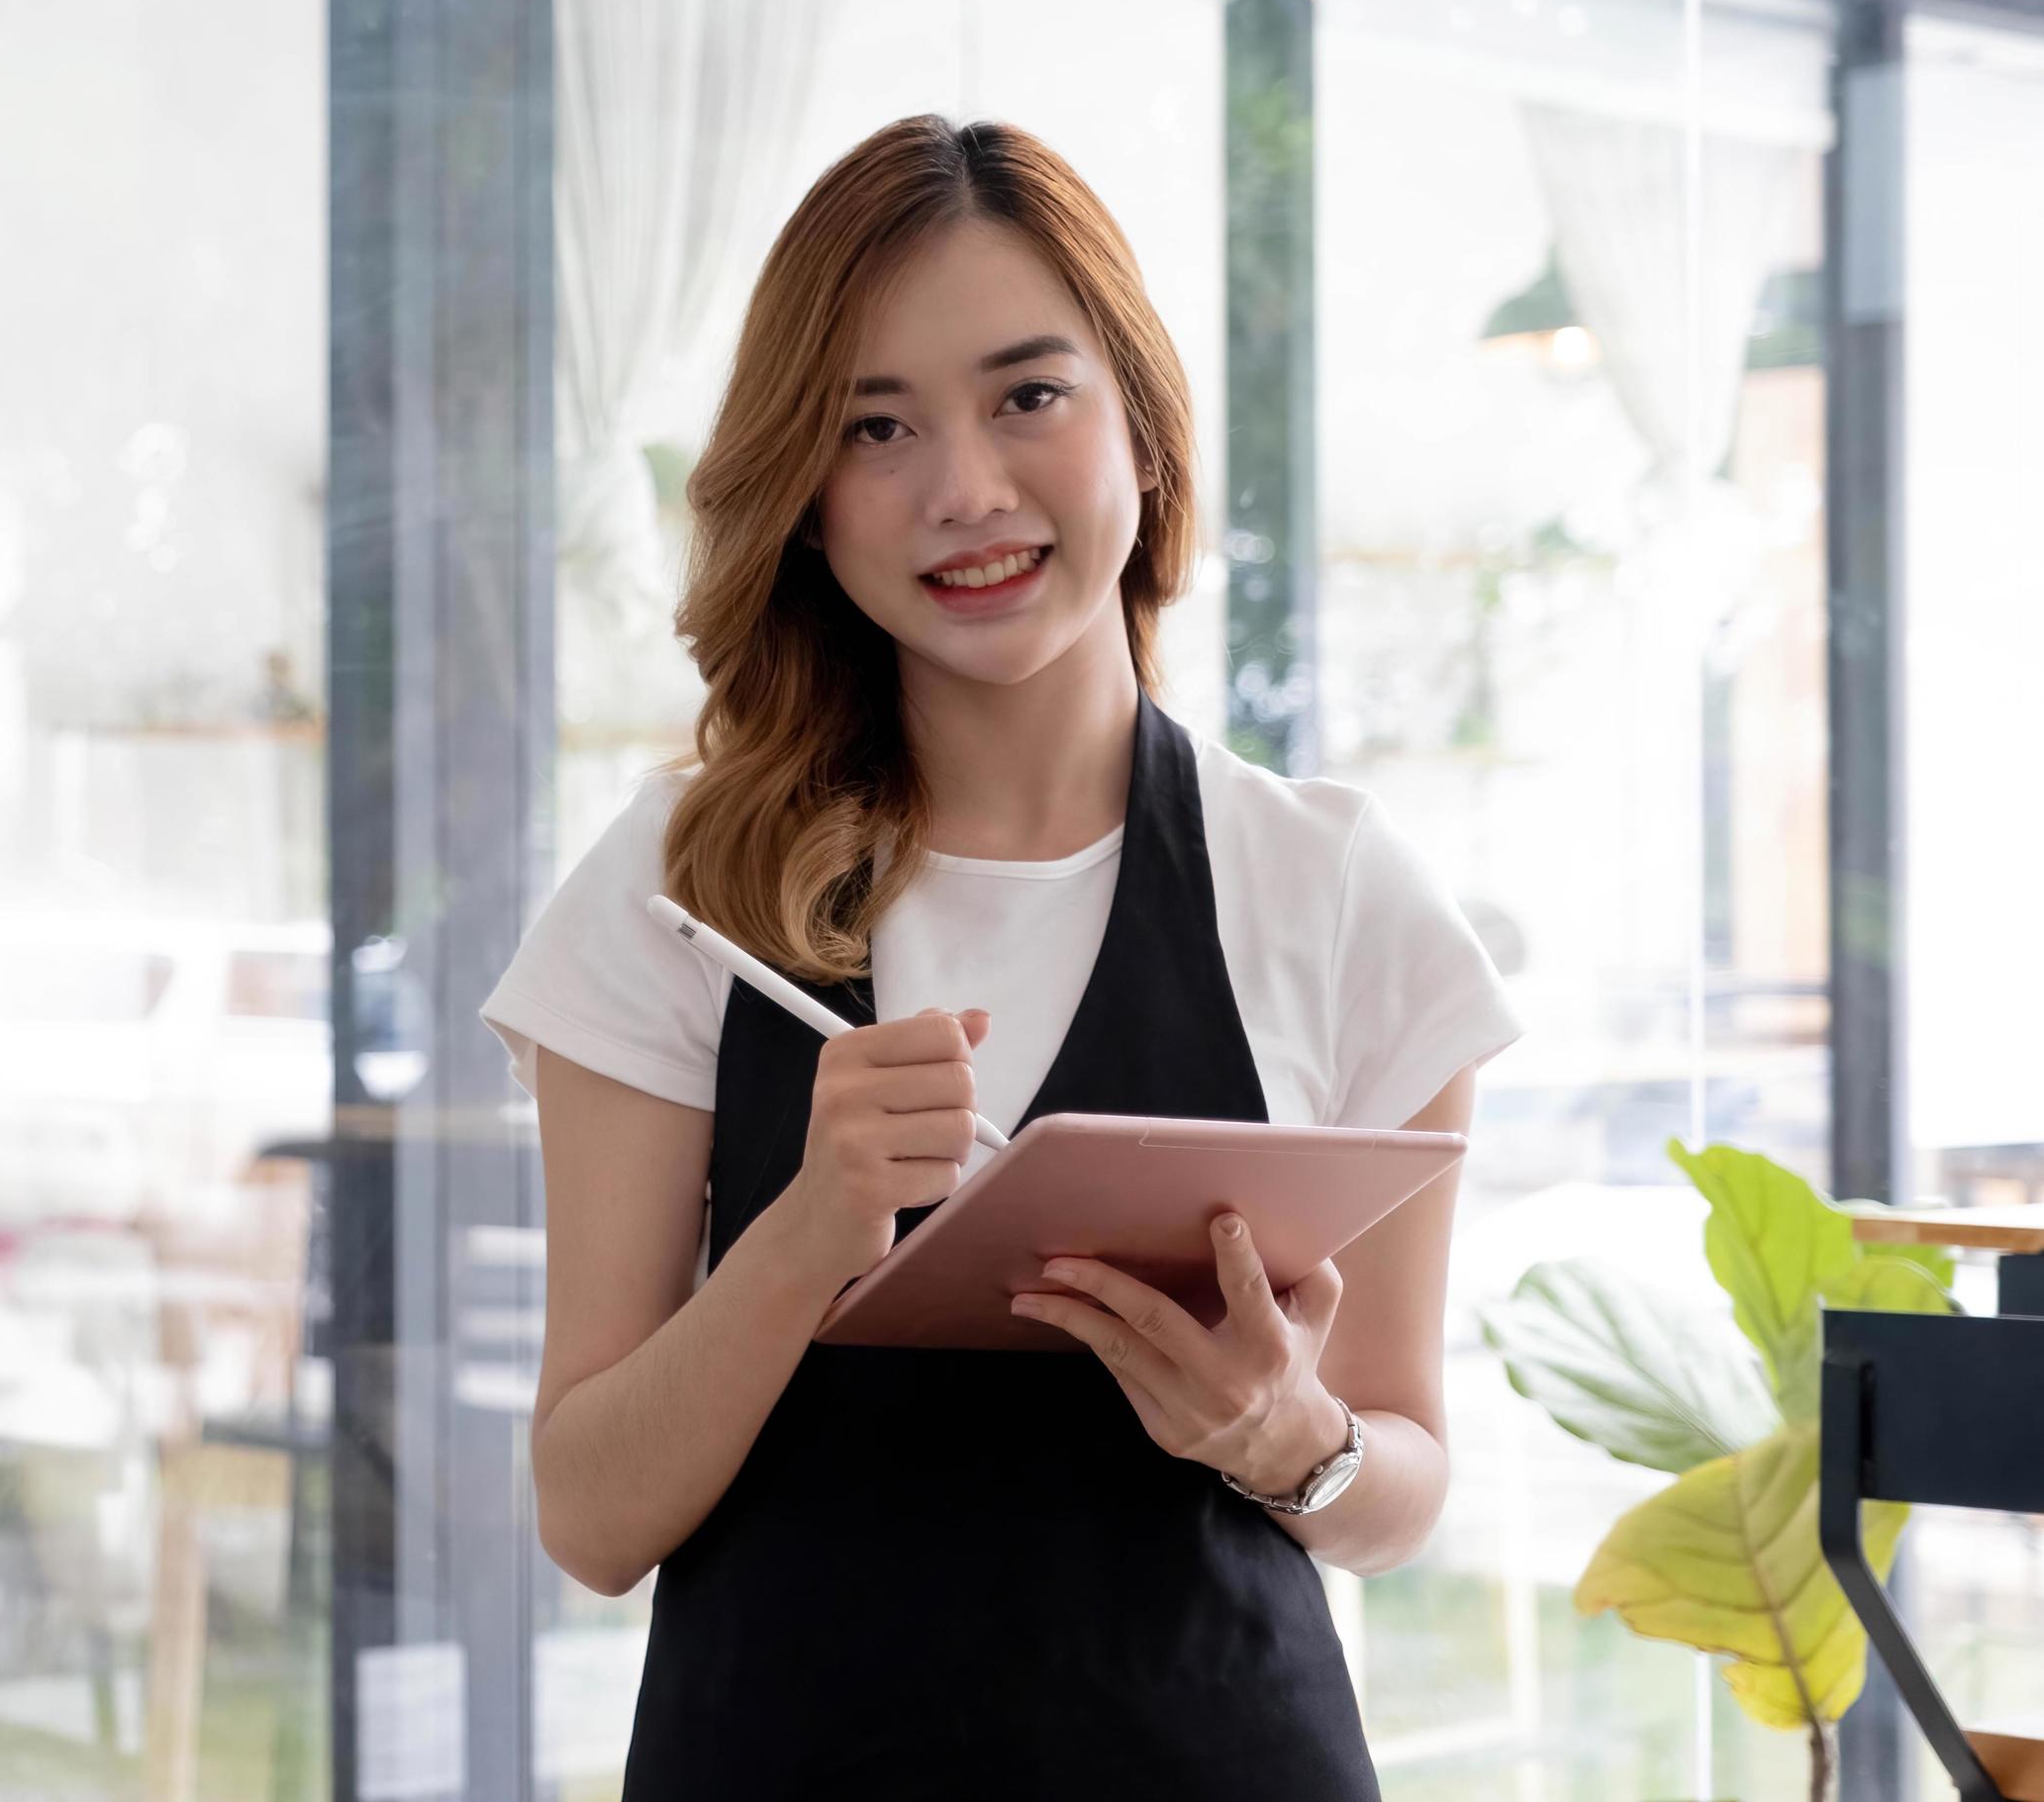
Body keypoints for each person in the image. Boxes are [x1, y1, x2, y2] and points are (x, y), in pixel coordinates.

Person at [478, 116, 1519, 1797]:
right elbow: (589, 1519)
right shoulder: (672, 895)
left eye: (1028, 395)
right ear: (804, 504)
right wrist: (804, 1235)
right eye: (872, 426)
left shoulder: (1331, 891)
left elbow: (1399, 1485)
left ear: (1142, 432)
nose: (963, 489)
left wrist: (1287, 1441)